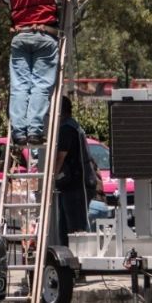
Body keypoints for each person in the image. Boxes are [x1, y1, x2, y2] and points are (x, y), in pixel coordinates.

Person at [0, 0, 70, 146]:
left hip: (20, 36)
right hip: (44, 35)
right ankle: (34, 131)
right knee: (40, 85)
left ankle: (19, 132)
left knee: (20, 86)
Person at [54, 96, 97, 245]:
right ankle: (69, 258)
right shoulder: (74, 126)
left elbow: (60, 157)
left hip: (76, 185)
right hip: (74, 184)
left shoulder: (66, 128)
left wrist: (51, 179)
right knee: (67, 228)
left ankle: (76, 260)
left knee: (74, 229)